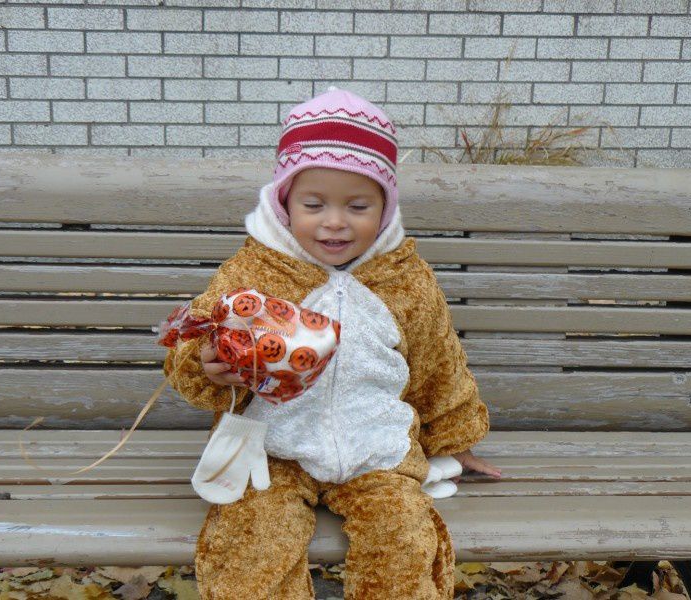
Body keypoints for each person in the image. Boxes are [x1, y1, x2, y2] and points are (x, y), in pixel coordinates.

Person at [163, 86, 502, 600]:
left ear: (386, 207)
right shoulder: (254, 272)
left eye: (358, 204)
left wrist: (454, 439)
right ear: (285, 201)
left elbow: (438, 363)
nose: (335, 221)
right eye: (314, 203)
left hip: (376, 451)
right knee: (250, 546)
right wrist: (205, 364)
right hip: (272, 451)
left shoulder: (405, 279)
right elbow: (196, 342)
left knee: (403, 538)